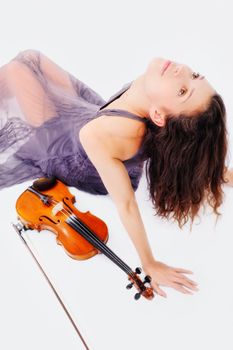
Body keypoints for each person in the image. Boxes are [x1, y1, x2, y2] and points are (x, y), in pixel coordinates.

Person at [0, 50, 232, 298]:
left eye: (182, 91)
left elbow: (126, 204)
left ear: (157, 115)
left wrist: (149, 263)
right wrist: (219, 170)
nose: (181, 73)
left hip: (74, 159)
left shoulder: (107, 132)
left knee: (16, 72)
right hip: (94, 124)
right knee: (31, 59)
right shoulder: (150, 89)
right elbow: (185, 138)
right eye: (195, 76)